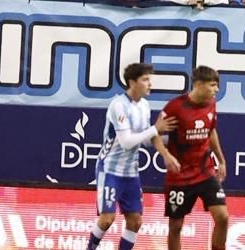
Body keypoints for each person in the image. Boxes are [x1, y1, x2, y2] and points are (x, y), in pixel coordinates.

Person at [84, 62, 180, 250]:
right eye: (145, 80)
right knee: (107, 219)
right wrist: (155, 129)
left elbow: (145, 139)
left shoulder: (144, 105)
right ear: (132, 82)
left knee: (135, 221)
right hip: (110, 170)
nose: (150, 84)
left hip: (131, 173)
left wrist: (173, 141)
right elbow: (127, 141)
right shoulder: (118, 105)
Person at [161, 65, 229, 250]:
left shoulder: (211, 104)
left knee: (222, 217)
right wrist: (166, 155)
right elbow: (156, 134)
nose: (216, 90)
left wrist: (220, 160)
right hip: (180, 177)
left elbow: (211, 131)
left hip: (205, 171)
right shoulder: (175, 107)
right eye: (213, 85)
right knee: (175, 226)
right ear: (199, 84)